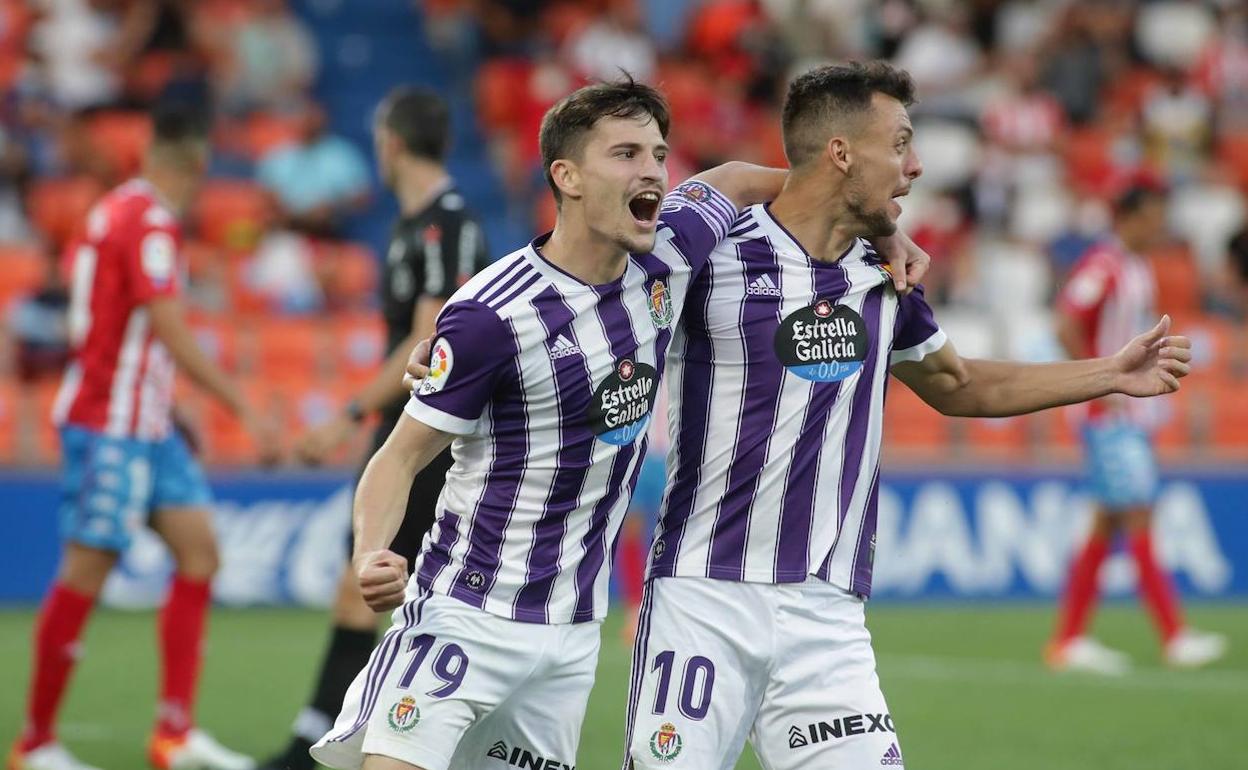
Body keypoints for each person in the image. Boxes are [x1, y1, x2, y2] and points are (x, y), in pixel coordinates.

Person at [621, 61, 1193, 770]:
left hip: (826, 615)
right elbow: (700, 196)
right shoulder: (715, 250)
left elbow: (959, 384)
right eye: (898, 144)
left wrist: (1110, 372)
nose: (915, 165)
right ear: (841, 153)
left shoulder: (883, 275)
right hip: (704, 599)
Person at [307, 78, 798, 770]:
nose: (653, 172)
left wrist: (878, 221)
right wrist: (370, 553)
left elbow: (737, 180)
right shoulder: (492, 315)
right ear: (566, 177)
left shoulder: (669, 254)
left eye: (659, 155)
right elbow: (399, 456)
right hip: (466, 615)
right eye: (625, 154)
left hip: (570, 638)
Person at [9, 103, 278, 770]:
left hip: (145, 422)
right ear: (195, 162)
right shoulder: (151, 221)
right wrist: (242, 407)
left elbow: (121, 324)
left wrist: (170, 406)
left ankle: (173, 734)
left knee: (199, 552)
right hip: (110, 423)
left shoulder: (114, 208)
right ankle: (35, 742)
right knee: (87, 568)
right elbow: (168, 326)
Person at [259, 86, 490, 770]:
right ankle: (329, 734)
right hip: (405, 428)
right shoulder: (413, 225)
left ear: (391, 142)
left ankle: (328, 740)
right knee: (367, 582)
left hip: (432, 434)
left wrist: (348, 414)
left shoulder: (448, 225)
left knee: (381, 583)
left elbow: (428, 339)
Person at [1046, 181, 1227, 674]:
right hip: (1108, 415)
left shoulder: (1136, 266)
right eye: (1152, 216)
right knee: (1140, 511)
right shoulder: (1104, 265)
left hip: (1128, 414)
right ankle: (1173, 636)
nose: (1159, 225)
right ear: (1128, 217)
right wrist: (1098, 383)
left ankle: (1068, 640)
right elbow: (1065, 323)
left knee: (1108, 521)